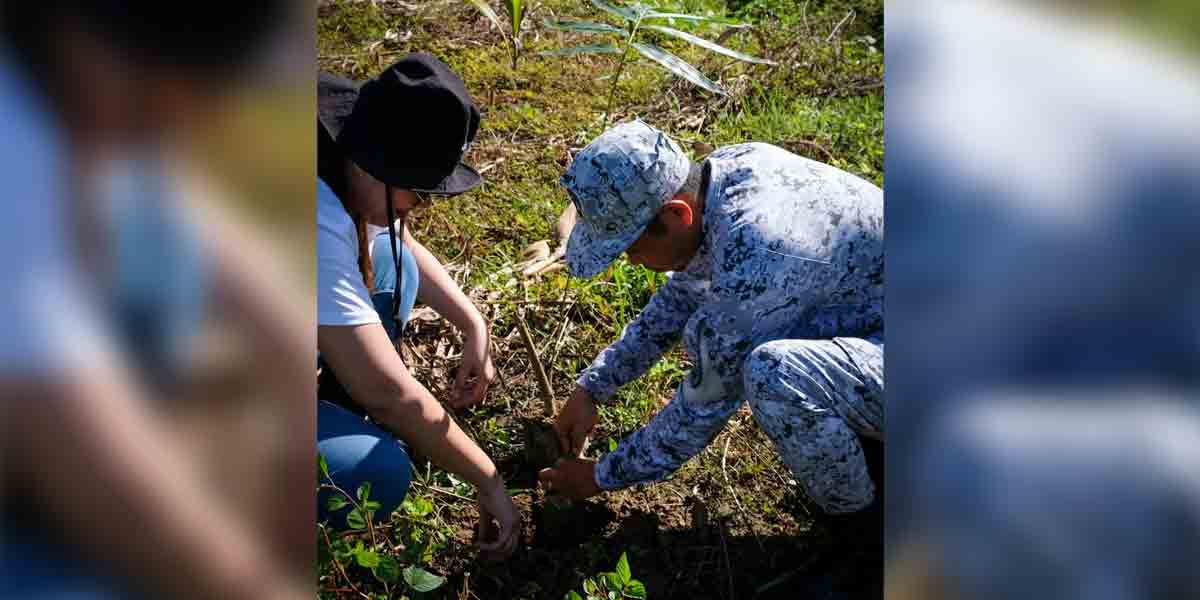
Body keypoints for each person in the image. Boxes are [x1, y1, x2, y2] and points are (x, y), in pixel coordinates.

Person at [0, 2, 313, 599]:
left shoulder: (98, 100)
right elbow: (70, 438)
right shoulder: (13, 149)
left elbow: (208, 238)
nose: (193, 113)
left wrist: (298, 427)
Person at [539, 120, 885, 515]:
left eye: (629, 248)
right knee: (723, 334)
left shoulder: (757, 255)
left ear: (675, 216)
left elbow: (701, 406)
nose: (631, 261)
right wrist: (593, 387)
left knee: (775, 375)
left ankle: (861, 526)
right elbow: (683, 295)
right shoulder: (725, 174)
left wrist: (601, 475)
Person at [315, 54, 519, 558]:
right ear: (373, 164)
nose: (419, 207)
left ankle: (332, 407)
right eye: (418, 190)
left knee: (389, 258)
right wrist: (488, 479)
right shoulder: (310, 218)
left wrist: (472, 322)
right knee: (377, 473)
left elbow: (396, 241)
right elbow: (387, 394)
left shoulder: (332, 152)